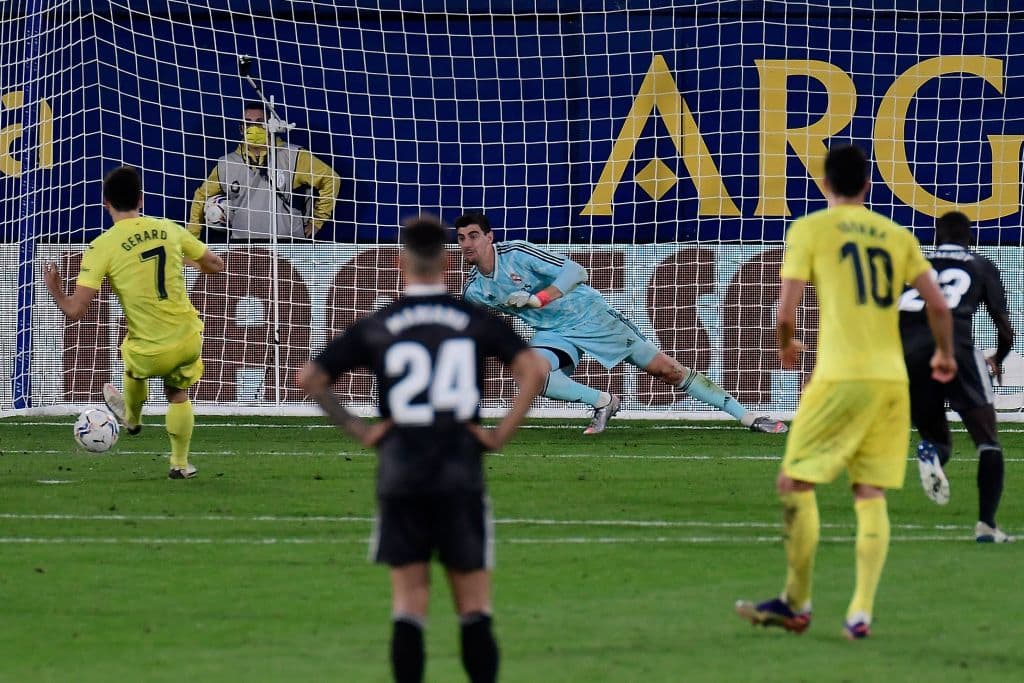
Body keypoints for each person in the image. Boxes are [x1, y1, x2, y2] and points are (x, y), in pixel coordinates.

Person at [297, 215, 547, 683]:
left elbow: (310, 379)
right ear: (446, 265)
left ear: (399, 263)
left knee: (409, 605)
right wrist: (497, 435)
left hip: (401, 474)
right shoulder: (475, 321)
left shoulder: (381, 324)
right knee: (474, 608)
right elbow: (533, 371)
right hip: (460, 474)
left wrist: (364, 431)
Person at [734, 144, 956, 640]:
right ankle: (860, 612)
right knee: (870, 491)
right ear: (868, 187)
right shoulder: (897, 234)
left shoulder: (810, 229)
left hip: (840, 377)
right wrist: (944, 354)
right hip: (891, 381)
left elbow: (786, 312)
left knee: (795, 483)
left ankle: (796, 602)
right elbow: (938, 306)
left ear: (824, 184)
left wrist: (788, 344)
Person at [455, 212, 788, 435]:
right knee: (529, 373)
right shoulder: (475, 289)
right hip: (553, 333)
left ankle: (749, 416)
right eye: (461, 238)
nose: (467, 243)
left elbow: (577, 272)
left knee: (666, 370)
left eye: (473, 235)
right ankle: (602, 401)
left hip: (591, 315)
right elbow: (466, 327)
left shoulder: (517, 253)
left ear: (489, 237)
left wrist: (538, 299)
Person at [44, 166, 225, 479]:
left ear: (105, 204)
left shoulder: (102, 246)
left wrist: (56, 290)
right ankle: (180, 464)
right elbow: (215, 265)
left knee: (131, 357)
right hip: (188, 338)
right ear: (142, 199)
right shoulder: (168, 228)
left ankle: (132, 418)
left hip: (148, 350)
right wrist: (182, 257)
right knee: (177, 394)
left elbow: (75, 311)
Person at [899, 211, 1015, 542]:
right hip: (956, 347)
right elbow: (1004, 327)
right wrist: (998, 357)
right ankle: (987, 527)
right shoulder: (980, 265)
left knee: (936, 439)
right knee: (987, 441)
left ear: (936, 238)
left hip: (910, 353)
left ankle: (931, 454)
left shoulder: (915, 264)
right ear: (970, 238)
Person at [187, 100, 341, 241]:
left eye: (259, 123)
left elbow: (331, 179)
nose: (253, 128)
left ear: (270, 126)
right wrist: (192, 238)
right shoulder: (226, 163)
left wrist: (317, 222)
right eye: (248, 123)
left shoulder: (294, 156)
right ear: (241, 129)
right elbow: (201, 196)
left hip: (287, 245)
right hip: (242, 246)